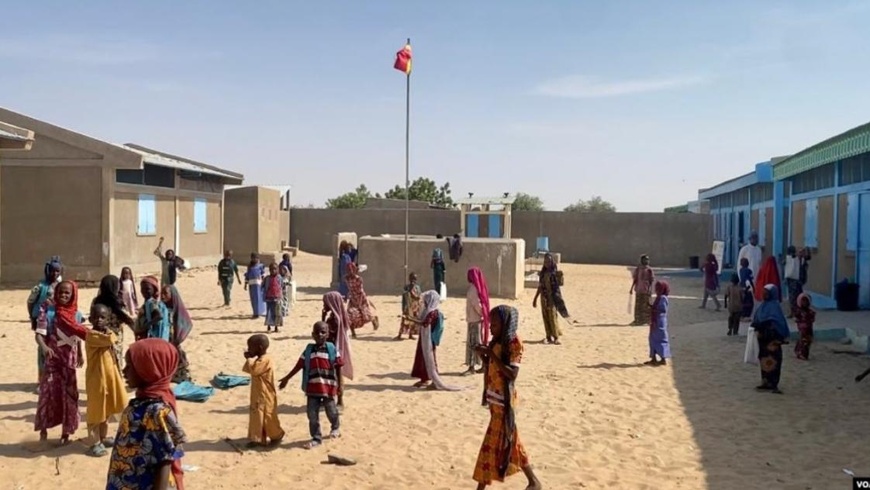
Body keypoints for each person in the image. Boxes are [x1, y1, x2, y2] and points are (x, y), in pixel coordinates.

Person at [472, 305, 542, 490]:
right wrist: (484, 356)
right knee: (511, 441)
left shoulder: (513, 342)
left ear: (505, 324)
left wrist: (491, 356)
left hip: (504, 402)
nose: (491, 328)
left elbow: (511, 374)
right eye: (490, 324)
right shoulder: (496, 341)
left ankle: (481, 487)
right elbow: (493, 365)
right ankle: (534, 481)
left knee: (490, 444)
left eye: (494, 324)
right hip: (494, 399)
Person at [107, 339, 187, 489]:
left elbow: (165, 461)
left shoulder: (157, 411)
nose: (124, 371)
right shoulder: (140, 403)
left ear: (149, 370)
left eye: (130, 366)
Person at [34, 280, 84, 445]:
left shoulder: (76, 314)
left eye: (67, 293)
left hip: (69, 363)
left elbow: (78, 336)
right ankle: (43, 432)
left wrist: (81, 354)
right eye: (61, 292)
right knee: (48, 394)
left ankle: (66, 434)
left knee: (69, 396)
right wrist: (44, 347)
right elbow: (39, 334)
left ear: (73, 295)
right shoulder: (48, 311)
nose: (63, 295)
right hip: (53, 361)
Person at [278, 322, 343, 449]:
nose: (320, 335)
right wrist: (287, 378)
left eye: (323, 332)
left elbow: (339, 367)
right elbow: (299, 365)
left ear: (328, 334)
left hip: (328, 387)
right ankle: (316, 438)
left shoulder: (332, 349)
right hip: (312, 388)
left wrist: (340, 385)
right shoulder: (309, 350)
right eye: (317, 332)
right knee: (312, 414)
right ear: (312, 335)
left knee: (331, 411)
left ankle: (335, 428)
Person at [82, 304, 128, 457]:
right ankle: (94, 442)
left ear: (108, 320)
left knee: (106, 409)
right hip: (96, 379)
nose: (99, 320)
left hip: (110, 378)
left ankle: (103, 437)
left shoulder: (105, 333)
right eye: (96, 317)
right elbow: (110, 339)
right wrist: (111, 331)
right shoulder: (92, 336)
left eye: (103, 317)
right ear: (90, 319)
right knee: (96, 411)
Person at [409, 291, 460, 390]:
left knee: (430, 359)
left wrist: (411, 319)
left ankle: (433, 381)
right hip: (424, 338)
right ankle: (424, 378)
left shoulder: (433, 312)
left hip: (429, 340)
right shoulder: (429, 311)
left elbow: (425, 323)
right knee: (423, 357)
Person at [243, 334, 285, 447]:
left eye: (250, 347)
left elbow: (254, 369)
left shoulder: (266, 360)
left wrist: (248, 359)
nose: (249, 349)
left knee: (268, 416)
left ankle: (277, 435)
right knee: (257, 415)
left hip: (266, 393)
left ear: (260, 347)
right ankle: (258, 438)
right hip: (258, 393)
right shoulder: (260, 359)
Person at [28, 256, 62, 383]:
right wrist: (32, 317)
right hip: (42, 320)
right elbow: (30, 301)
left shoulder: (61, 285)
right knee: (42, 349)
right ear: (48, 271)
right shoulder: (40, 286)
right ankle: (42, 379)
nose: (55, 273)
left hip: (57, 321)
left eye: (57, 271)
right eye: (53, 271)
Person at [91, 275, 136, 370]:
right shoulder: (118, 303)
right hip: (115, 337)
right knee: (115, 363)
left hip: (99, 336)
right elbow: (128, 319)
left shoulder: (96, 302)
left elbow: (92, 318)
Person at [751, 284, 790, 394]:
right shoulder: (762, 306)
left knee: (774, 361)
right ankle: (765, 382)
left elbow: (779, 324)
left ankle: (774, 384)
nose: (764, 294)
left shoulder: (775, 307)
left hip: (772, 340)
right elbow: (756, 319)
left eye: (766, 292)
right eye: (763, 292)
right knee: (764, 360)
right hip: (763, 340)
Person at [321, 292, 353, 407]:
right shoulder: (337, 317)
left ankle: (338, 399)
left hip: (333, 353)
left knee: (334, 376)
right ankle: (337, 399)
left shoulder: (334, 320)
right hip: (336, 352)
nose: (323, 304)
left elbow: (324, 333)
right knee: (336, 376)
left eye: (325, 302)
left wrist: (322, 318)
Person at [533, 252, 573, 343]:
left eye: (548, 261)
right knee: (545, 317)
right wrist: (535, 298)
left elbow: (559, 285)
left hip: (552, 298)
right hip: (544, 298)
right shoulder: (542, 273)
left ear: (551, 262)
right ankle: (548, 336)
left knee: (552, 317)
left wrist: (560, 276)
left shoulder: (554, 273)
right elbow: (540, 286)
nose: (546, 263)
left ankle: (556, 337)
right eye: (545, 261)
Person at [161, 285, 193, 383]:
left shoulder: (176, 307)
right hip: (164, 338)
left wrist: (179, 337)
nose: (163, 296)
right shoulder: (161, 308)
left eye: (165, 293)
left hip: (174, 338)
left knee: (179, 356)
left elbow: (186, 322)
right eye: (162, 293)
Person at [465, 267, 491, 375]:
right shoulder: (476, 288)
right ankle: (482, 365)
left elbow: (477, 305)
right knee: (477, 343)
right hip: (475, 319)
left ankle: (473, 366)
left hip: (474, 320)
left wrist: (482, 313)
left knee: (474, 344)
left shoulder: (473, 290)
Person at [345, 262, 379, 337]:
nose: (350, 272)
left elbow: (360, 291)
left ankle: (374, 319)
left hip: (361, 299)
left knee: (366, 317)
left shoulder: (359, 279)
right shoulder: (346, 278)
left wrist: (360, 303)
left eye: (351, 270)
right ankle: (353, 332)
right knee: (350, 316)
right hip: (353, 299)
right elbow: (349, 289)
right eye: (348, 270)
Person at [135, 276, 171, 342]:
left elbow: (159, 316)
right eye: (142, 289)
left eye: (148, 289)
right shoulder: (146, 303)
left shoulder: (152, 303)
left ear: (154, 290)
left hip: (150, 336)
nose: (144, 291)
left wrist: (146, 325)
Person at [646, 281, 671, 366]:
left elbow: (663, 310)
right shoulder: (658, 297)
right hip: (655, 320)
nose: (656, 290)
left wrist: (653, 309)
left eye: (658, 288)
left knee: (660, 339)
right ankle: (653, 358)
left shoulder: (663, 298)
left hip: (660, 321)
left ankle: (663, 358)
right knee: (652, 338)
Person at [630, 254, 655, 327]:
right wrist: (631, 289)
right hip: (638, 290)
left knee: (646, 306)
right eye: (645, 259)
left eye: (647, 259)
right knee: (638, 306)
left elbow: (651, 281)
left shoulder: (649, 270)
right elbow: (635, 280)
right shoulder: (638, 269)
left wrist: (650, 290)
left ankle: (645, 321)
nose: (646, 261)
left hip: (646, 290)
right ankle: (637, 320)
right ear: (641, 261)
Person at [396, 272, 422, 340]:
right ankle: (400, 334)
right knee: (405, 321)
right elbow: (405, 296)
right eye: (412, 279)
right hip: (408, 307)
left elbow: (419, 296)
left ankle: (411, 334)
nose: (413, 280)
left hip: (415, 307)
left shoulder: (417, 287)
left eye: (415, 279)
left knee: (413, 321)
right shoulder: (407, 287)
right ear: (409, 279)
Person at [263, 262, 285, 333]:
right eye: (271, 269)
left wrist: (281, 296)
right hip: (269, 298)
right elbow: (263, 286)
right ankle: (269, 327)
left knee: (277, 313)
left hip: (277, 298)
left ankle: (276, 327)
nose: (273, 271)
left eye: (275, 269)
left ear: (278, 269)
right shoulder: (267, 278)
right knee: (269, 313)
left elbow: (282, 286)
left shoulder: (279, 278)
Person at [794, 293, 816, 361]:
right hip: (802, 330)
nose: (804, 303)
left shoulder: (810, 312)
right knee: (803, 341)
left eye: (806, 301)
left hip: (809, 329)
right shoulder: (798, 311)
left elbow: (812, 319)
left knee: (808, 341)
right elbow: (796, 319)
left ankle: (802, 353)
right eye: (803, 301)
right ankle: (801, 353)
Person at [244, 253, 266, 319]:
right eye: (253, 258)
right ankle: (255, 313)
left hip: (258, 285)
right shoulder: (249, 266)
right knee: (253, 299)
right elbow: (247, 276)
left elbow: (263, 275)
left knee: (258, 299)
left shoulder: (260, 266)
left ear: (258, 258)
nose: (254, 259)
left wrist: (264, 282)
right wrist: (245, 284)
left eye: (256, 258)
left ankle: (258, 313)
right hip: (251, 285)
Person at [783, 246, 801, 317]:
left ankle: (794, 312)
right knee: (794, 296)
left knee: (793, 297)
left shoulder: (792, 258)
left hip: (792, 279)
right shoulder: (795, 258)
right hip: (794, 279)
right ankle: (793, 311)